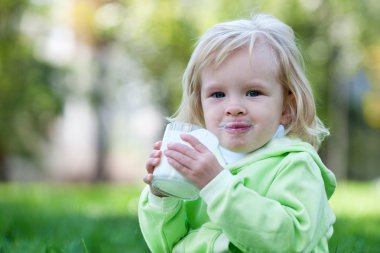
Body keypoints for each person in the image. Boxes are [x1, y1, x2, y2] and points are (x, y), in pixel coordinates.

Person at [138, 13, 336, 253]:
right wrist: (162, 195)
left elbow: (289, 241)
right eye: (218, 95)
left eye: (253, 92)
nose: (233, 108)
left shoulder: (296, 165)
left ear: (286, 107)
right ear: (200, 105)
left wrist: (216, 184)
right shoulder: (198, 164)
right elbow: (164, 246)